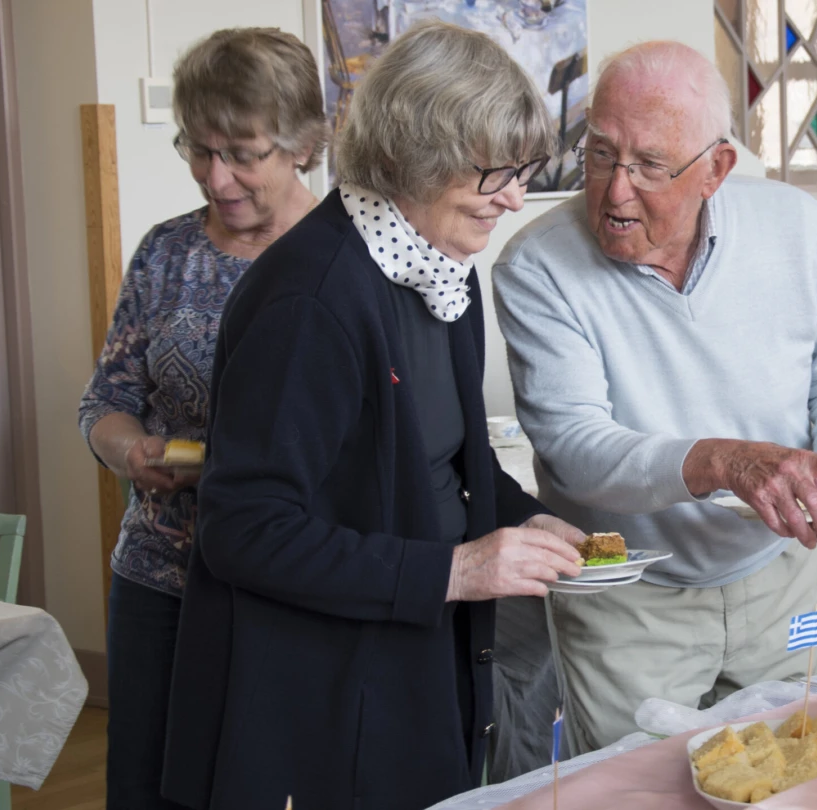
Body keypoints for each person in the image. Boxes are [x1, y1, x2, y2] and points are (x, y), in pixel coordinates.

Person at [160, 22, 583, 810]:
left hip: (401, 668)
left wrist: (530, 522)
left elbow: (450, 462)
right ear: (409, 155)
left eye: (524, 169)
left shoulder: (438, 268)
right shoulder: (312, 297)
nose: (516, 195)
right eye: (496, 171)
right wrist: (456, 571)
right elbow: (244, 529)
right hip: (311, 701)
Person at [493, 41, 817, 755]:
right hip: (628, 599)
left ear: (717, 168)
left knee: (799, 770)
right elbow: (574, 449)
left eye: (649, 166)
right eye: (600, 154)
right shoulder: (537, 266)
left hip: (781, 574)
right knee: (636, 793)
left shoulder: (797, 229)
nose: (615, 191)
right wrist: (720, 462)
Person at [76, 27, 325, 810]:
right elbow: (105, 398)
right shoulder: (166, 252)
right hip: (159, 574)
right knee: (144, 789)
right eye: (199, 150)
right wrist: (127, 451)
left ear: (302, 145)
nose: (217, 178)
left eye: (243, 153)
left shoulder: (341, 259)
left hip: (291, 583)